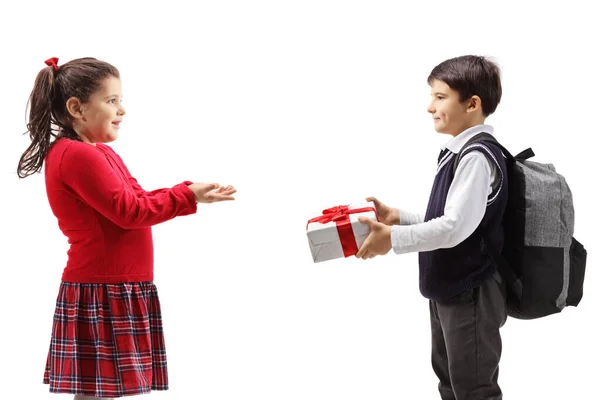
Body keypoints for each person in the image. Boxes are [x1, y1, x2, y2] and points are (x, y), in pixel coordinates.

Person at [17, 56, 236, 399]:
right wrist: (184, 196)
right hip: (104, 288)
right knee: (97, 392)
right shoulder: (77, 156)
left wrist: (190, 194)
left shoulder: (98, 152)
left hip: (115, 284)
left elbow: (138, 198)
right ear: (77, 107)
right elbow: (130, 212)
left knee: (97, 390)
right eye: (111, 100)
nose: (122, 110)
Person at [356, 55, 508, 399]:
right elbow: (456, 222)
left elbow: (454, 229)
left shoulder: (476, 157)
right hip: (452, 289)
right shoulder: (459, 153)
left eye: (440, 97)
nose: (430, 107)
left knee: (474, 390)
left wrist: (392, 239)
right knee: (451, 383)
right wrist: (400, 218)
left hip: (471, 290)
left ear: (472, 104)